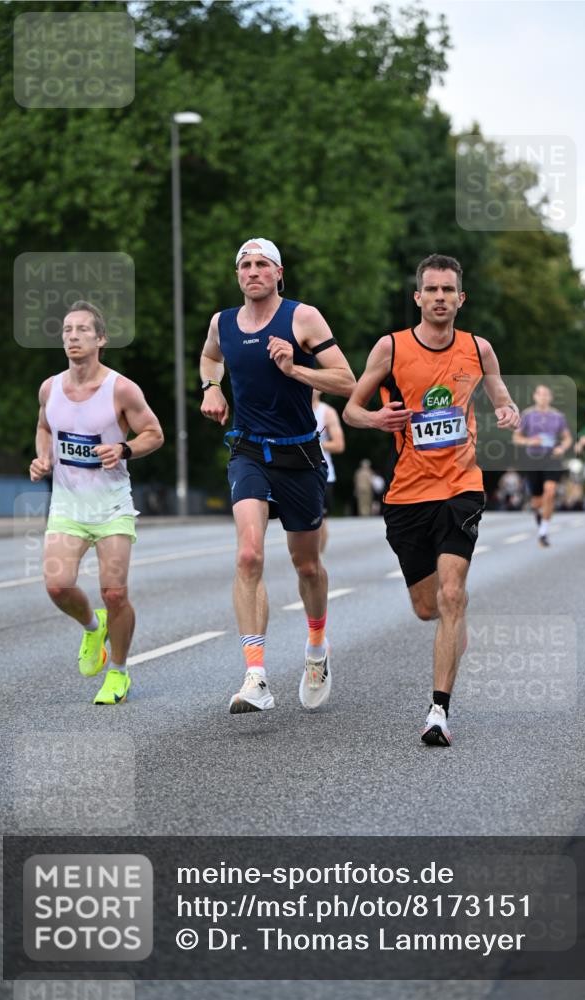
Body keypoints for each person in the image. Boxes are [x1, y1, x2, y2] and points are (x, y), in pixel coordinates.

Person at [343, 253, 520, 747]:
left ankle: (438, 711)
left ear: (461, 299)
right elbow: (353, 408)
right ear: (418, 296)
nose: (440, 297)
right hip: (407, 494)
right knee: (427, 608)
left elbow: (500, 394)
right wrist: (375, 419)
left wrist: (508, 410)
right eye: (432, 290)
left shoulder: (478, 349)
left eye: (448, 290)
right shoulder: (391, 348)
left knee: (451, 593)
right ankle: (452, 621)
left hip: (461, 486)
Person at [200, 238, 355, 714]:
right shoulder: (223, 323)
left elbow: (347, 380)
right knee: (248, 554)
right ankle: (256, 677)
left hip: (300, 454)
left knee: (306, 565)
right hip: (249, 450)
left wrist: (296, 370)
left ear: (279, 273)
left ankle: (316, 647)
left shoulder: (303, 318)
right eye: (245, 265)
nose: (253, 271)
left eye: (262, 264)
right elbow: (210, 357)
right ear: (237, 275)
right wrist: (211, 387)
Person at [29, 301, 164, 704]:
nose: (73, 336)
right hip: (67, 506)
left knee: (115, 594)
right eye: (67, 330)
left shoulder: (120, 389)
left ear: (101, 339)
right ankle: (93, 627)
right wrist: (43, 457)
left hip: (111, 507)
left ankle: (118, 672)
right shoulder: (50, 388)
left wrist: (124, 449)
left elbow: (154, 434)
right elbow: (44, 427)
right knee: (57, 586)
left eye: (82, 330)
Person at [512, 385, 572, 547]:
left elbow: (567, 438)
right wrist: (530, 441)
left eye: (546, 394)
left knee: (550, 492)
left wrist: (562, 448)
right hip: (533, 459)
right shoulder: (527, 415)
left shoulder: (558, 416)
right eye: (540, 394)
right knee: (537, 501)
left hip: (552, 458)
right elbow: (516, 438)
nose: (543, 397)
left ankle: (544, 531)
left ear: (551, 397)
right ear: (535, 396)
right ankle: (540, 516)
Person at [312, 389, 345, 552]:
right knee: (300, 521)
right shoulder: (292, 408)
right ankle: (305, 559)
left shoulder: (327, 412)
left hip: (322, 474)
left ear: (319, 389)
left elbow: (339, 445)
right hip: (297, 472)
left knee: (320, 520)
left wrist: (313, 444)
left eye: (313, 385)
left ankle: (318, 557)